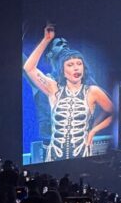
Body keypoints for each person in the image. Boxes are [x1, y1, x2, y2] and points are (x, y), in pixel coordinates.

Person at [23, 25, 114, 161]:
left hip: (82, 155)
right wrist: (46, 40)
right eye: (70, 65)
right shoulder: (54, 88)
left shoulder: (92, 90)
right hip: (53, 154)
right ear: (63, 71)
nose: (76, 68)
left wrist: (93, 130)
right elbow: (28, 68)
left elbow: (113, 111)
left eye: (79, 64)